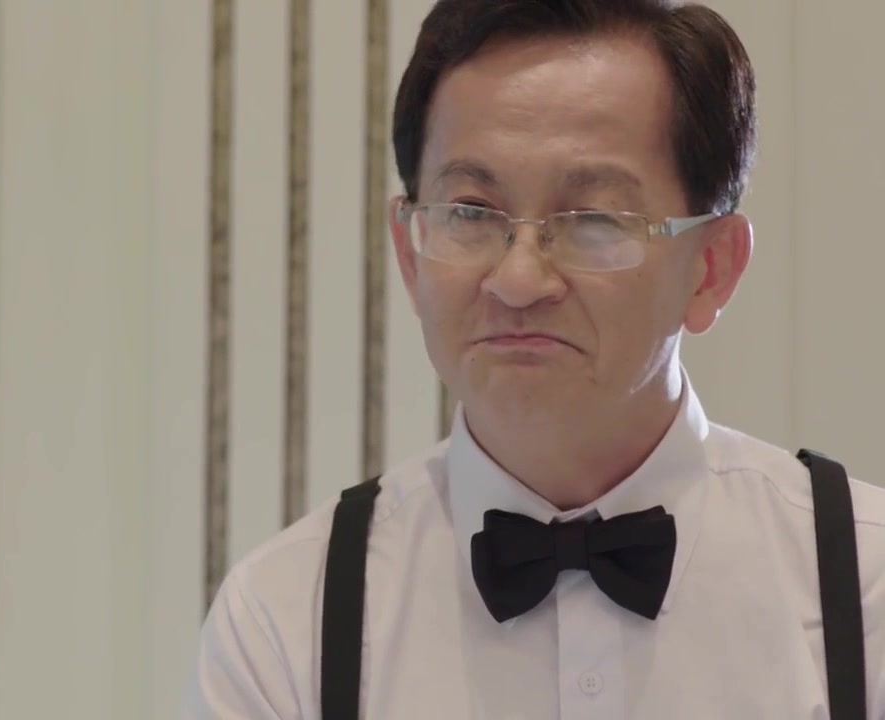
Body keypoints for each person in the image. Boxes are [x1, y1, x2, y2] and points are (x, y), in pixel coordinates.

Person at [183, 0, 885, 718]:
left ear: (711, 268)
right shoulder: (286, 623)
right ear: (409, 253)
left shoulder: (865, 590)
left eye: (592, 219)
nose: (518, 280)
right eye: (470, 212)